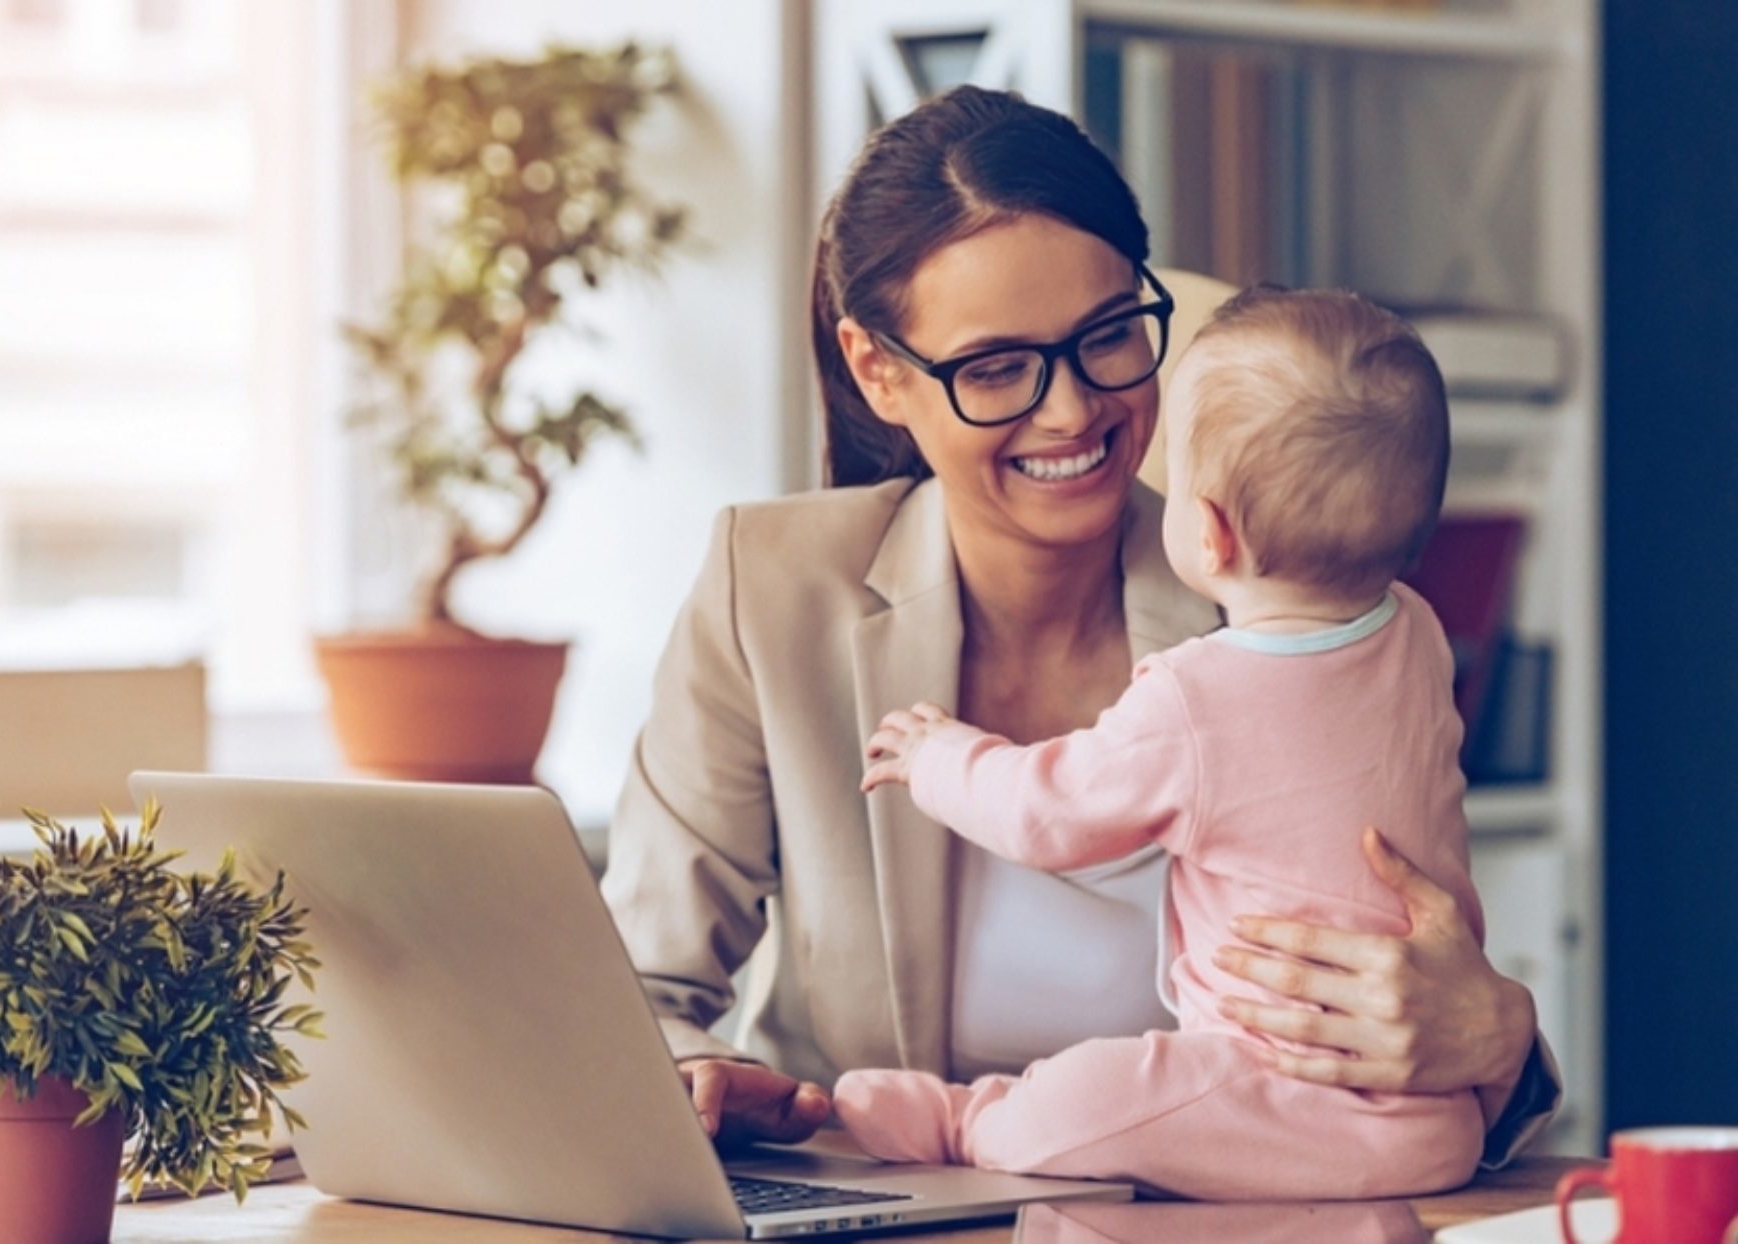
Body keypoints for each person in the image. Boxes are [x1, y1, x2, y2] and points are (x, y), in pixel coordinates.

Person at [599, 84, 1558, 1165]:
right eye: (996, 367)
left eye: (1107, 336)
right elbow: (634, 988)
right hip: (879, 1204)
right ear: (879, 371)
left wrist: (1497, 1034)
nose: (1071, 410)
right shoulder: (768, 589)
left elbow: (1417, 949)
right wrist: (695, 1078)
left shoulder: (1287, 595)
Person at [832, 287, 1482, 1200]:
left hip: (1272, 1082)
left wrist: (936, 756)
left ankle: (966, 1119)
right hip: (1434, 1120)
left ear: (1208, 534)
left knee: (1097, 1091)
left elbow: (1048, 813)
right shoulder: (1415, 636)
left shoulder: (1197, 696)